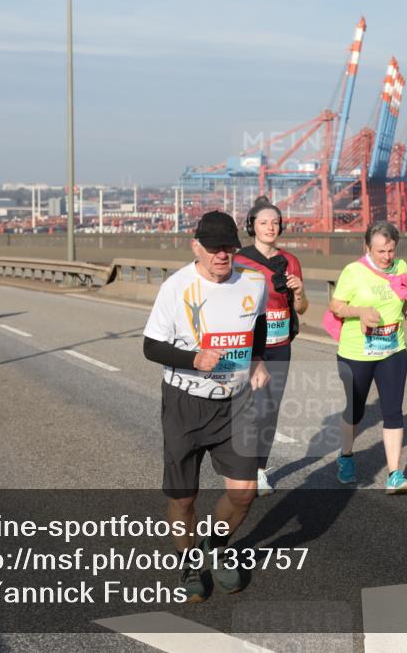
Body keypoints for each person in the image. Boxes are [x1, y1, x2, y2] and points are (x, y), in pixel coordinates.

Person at [142, 210, 270, 603]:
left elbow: (258, 324)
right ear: (195, 245)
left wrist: (259, 359)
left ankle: (213, 546)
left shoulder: (254, 282)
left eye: (229, 247)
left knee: (244, 492)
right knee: (183, 498)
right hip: (185, 402)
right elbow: (151, 346)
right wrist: (193, 359)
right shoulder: (176, 287)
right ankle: (189, 562)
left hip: (234, 401)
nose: (222, 255)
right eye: (214, 247)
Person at [327, 221, 407, 494]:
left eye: (391, 250)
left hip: (392, 350)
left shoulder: (400, 267)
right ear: (367, 247)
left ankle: (394, 475)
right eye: (381, 251)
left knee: (393, 411)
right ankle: (345, 456)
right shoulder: (354, 271)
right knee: (355, 411)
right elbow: (336, 305)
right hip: (357, 353)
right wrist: (360, 311)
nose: (387, 256)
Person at [233, 196, 307, 496]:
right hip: (250, 345)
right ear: (252, 226)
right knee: (249, 407)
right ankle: (240, 465)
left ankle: (259, 471)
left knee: (269, 410)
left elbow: (301, 309)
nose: (270, 227)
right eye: (263, 222)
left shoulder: (291, 261)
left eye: (275, 222)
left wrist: (299, 292)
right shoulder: (239, 261)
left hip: (280, 344)